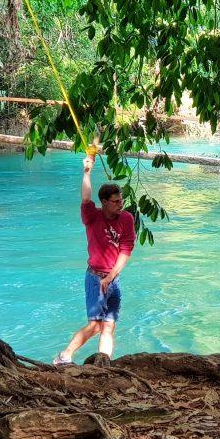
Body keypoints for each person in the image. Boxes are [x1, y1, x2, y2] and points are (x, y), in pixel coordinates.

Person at [53, 155, 136, 366]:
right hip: (95, 278)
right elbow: (85, 198)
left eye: (121, 200)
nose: (121, 204)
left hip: (112, 279)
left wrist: (111, 277)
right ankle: (64, 356)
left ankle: (103, 365)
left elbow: (126, 249)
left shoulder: (126, 218)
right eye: (116, 201)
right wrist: (87, 172)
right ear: (105, 202)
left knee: (109, 326)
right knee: (95, 326)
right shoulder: (92, 216)